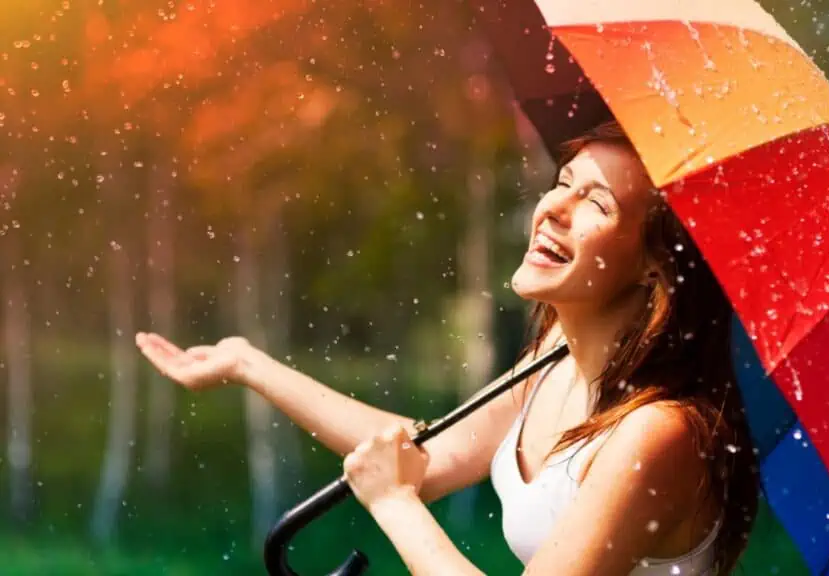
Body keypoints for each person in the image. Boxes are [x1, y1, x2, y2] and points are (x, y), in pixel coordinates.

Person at [136, 120, 760, 575]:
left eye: (596, 203)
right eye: (563, 183)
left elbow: (403, 478)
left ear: (655, 266)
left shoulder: (660, 433)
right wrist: (249, 364)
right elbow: (422, 455)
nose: (553, 210)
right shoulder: (552, 366)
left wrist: (393, 502)